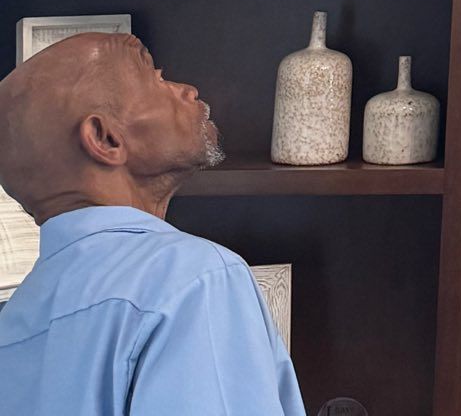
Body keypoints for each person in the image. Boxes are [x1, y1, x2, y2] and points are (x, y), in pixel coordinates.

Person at [0, 30, 303, 415]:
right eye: (156, 79)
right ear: (105, 139)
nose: (188, 90)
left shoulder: (14, 322)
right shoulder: (193, 279)